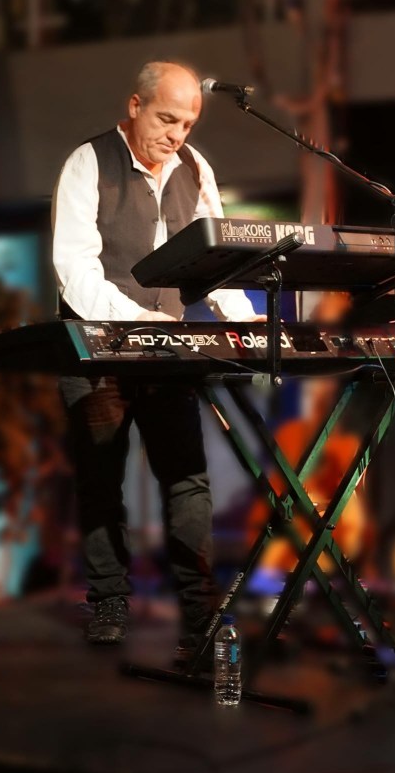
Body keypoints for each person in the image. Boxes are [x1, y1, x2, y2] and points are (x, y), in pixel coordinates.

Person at [51, 60, 262, 657]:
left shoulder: (195, 168)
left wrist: (245, 319)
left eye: (188, 124)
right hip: (97, 347)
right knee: (100, 478)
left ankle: (200, 613)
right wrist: (139, 321)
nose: (177, 134)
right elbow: (74, 269)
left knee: (187, 478)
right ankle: (109, 601)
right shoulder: (88, 162)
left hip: (166, 348)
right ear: (135, 106)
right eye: (167, 119)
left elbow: (215, 260)